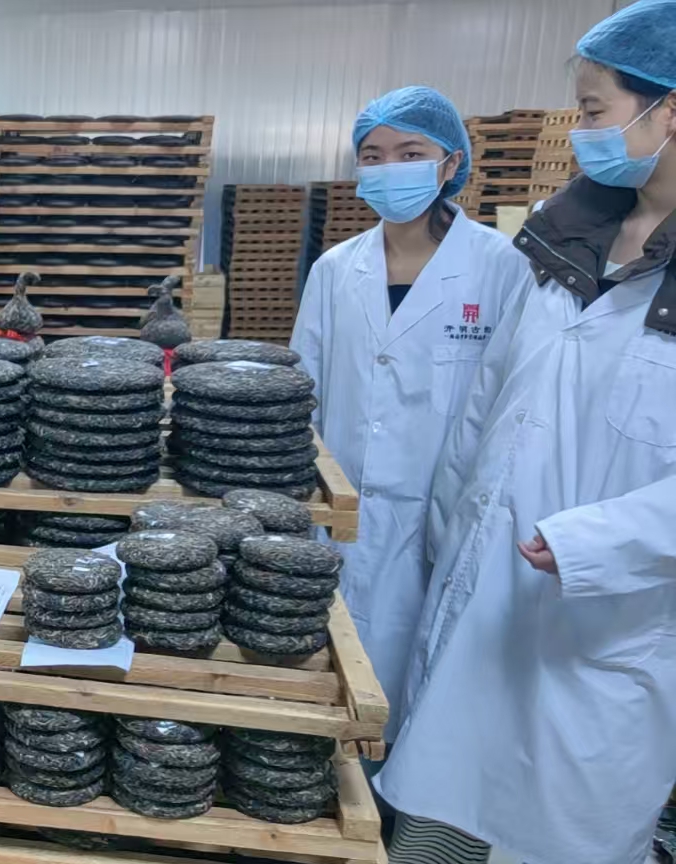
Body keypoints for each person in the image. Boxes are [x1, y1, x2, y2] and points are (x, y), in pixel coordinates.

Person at [376, 2, 676, 862]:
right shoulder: (560, 241)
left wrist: (596, 542)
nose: (582, 131)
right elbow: (490, 405)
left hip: (605, 629)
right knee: (437, 820)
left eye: (594, 110)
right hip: (483, 599)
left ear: (669, 110)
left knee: (555, 836)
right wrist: (446, 527)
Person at [290, 86, 534, 742]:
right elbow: (302, 394)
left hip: (439, 515)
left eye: (410, 153)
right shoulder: (336, 270)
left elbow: (511, 403)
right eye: (373, 156)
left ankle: (396, 796)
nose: (388, 168)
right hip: (340, 513)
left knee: (423, 692)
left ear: (450, 163)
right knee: (331, 680)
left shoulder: (500, 268)